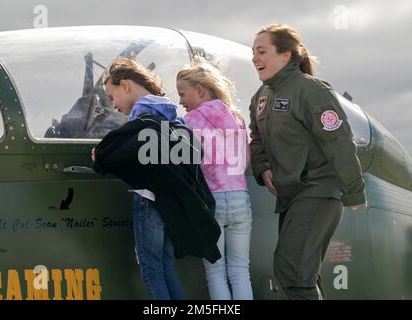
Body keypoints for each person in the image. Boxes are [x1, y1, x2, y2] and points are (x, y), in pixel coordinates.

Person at [249, 24, 367, 300]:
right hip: (292, 197)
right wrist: (262, 167)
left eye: (262, 51)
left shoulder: (312, 91)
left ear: (286, 55)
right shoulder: (261, 97)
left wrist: (353, 191)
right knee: (302, 274)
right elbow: (256, 138)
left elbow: (338, 141)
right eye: (252, 52)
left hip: (319, 191)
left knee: (291, 270)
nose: (254, 58)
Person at [92, 57, 221, 300]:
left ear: (126, 85)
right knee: (165, 268)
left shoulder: (141, 118)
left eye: (112, 96)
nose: (113, 105)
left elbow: (130, 154)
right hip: (172, 203)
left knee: (151, 270)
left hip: (149, 199)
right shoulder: (171, 113)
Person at [176, 58, 253, 300]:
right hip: (241, 198)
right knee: (241, 270)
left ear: (199, 90)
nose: (180, 101)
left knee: (215, 271)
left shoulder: (189, 122)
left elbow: (184, 162)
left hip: (212, 202)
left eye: (182, 93)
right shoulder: (236, 117)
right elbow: (246, 159)